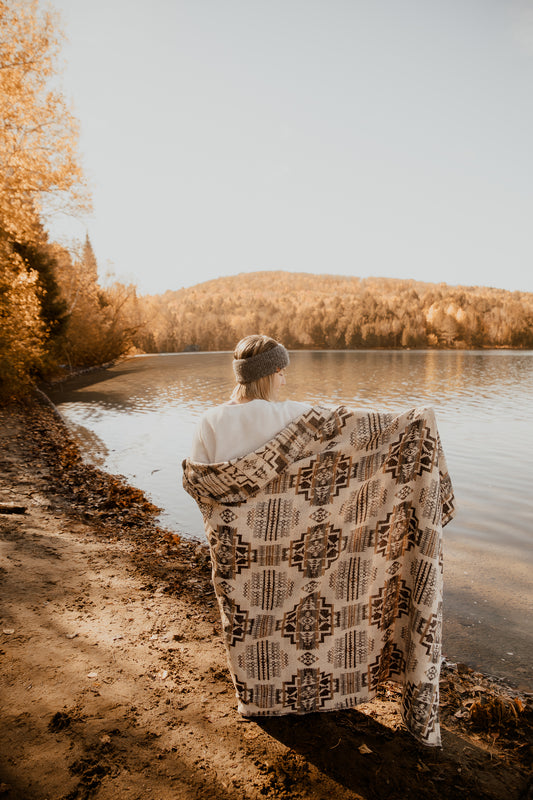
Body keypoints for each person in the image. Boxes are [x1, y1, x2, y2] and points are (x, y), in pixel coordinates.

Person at [183, 334, 455, 747]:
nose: (285, 379)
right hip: (299, 554)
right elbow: (378, 432)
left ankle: (259, 699)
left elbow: (202, 486)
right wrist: (419, 423)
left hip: (239, 556)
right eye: (282, 371)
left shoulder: (209, 421)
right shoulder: (304, 418)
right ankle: (325, 690)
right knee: (314, 613)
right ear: (273, 373)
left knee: (251, 621)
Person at [190, 334, 311, 464]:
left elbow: (197, 476)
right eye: (280, 373)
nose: (283, 382)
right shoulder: (294, 413)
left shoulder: (209, 420)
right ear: (266, 376)